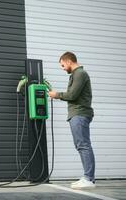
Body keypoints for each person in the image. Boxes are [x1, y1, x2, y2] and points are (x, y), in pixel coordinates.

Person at [48, 51, 96, 189]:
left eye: (63, 65)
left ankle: (89, 178)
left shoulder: (80, 74)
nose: (63, 68)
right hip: (77, 114)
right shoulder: (76, 75)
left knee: (83, 145)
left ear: (69, 61)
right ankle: (88, 177)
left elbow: (73, 95)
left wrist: (57, 95)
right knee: (81, 145)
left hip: (80, 114)